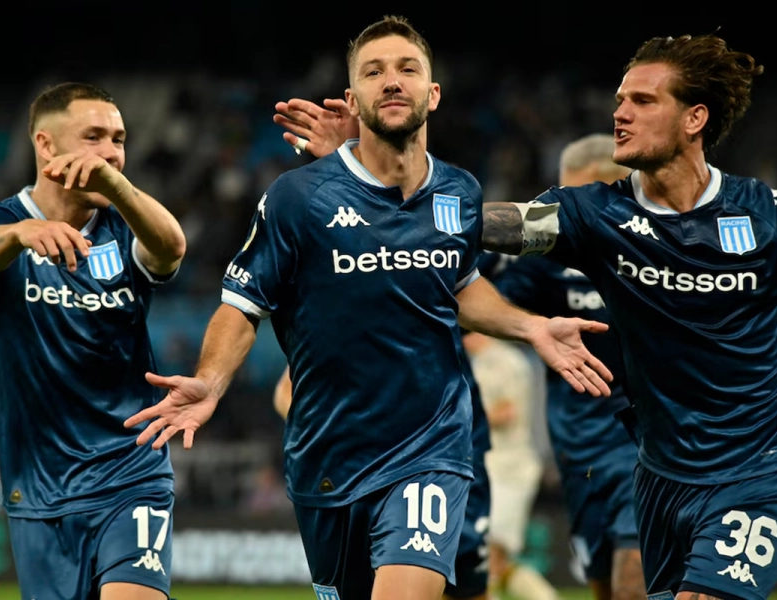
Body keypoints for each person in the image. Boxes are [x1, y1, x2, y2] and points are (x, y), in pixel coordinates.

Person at [271, 32, 777, 600]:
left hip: (757, 468)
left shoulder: (764, 215)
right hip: (662, 475)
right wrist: (357, 173)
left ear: (694, 118)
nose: (620, 114)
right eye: (620, 100)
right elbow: (460, 225)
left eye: (642, 101)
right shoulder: (595, 216)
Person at [125, 16, 613, 600]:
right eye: (374, 72)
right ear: (353, 99)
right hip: (327, 457)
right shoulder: (298, 197)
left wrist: (530, 326)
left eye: (408, 69)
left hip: (431, 447)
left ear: (433, 93)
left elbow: (461, 286)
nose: (392, 80)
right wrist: (210, 380)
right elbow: (243, 305)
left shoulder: (459, 192)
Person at [0, 82, 186, 600]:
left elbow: (171, 248)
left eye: (119, 140)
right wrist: (20, 235)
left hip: (132, 471)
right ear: (46, 144)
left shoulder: (127, 229)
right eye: (94, 137)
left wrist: (116, 185)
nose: (111, 152)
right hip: (39, 486)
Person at [490, 135, 645, 600]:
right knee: (604, 588)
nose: (562, 215)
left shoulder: (656, 249)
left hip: (642, 444)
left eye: (574, 198)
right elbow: (483, 303)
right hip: (578, 452)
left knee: (633, 582)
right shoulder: (547, 263)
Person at [273, 336, 495, 600]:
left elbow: (489, 314)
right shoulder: (345, 330)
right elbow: (285, 393)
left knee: (468, 588)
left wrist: (531, 329)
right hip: (355, 475)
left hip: (444, 460)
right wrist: (330, 434)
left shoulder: (438, 318)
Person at [461, 332, 560, 600]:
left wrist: (457, 424)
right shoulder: (482, 359)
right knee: (493, 555)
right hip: (492, 466)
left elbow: (507, 412)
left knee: (490, 552)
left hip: (508, 468)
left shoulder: (501, 360)